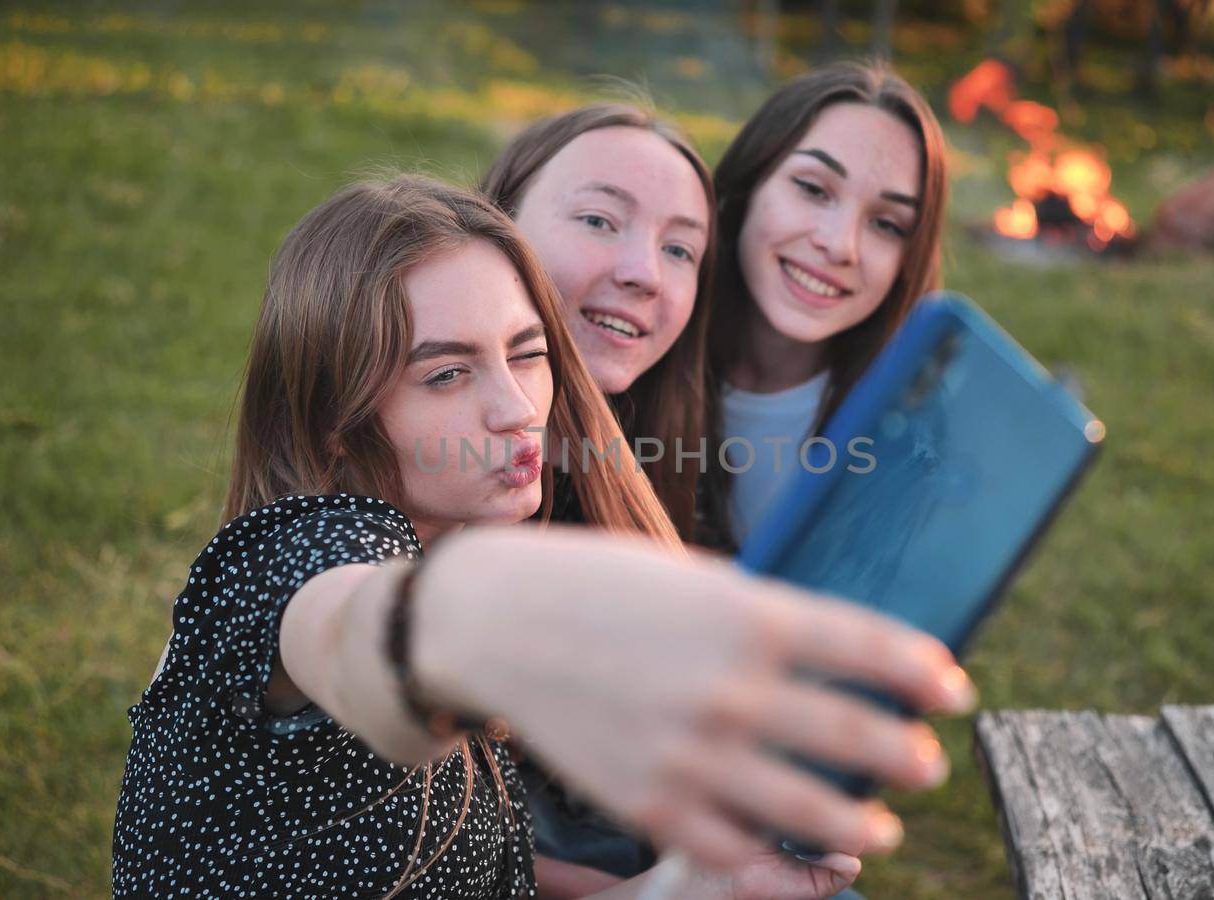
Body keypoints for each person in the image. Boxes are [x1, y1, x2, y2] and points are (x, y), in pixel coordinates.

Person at [111, 175, 976, 898]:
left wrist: (692, 888)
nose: (517, 410)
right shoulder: (284, 559)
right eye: (448, 373)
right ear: (336, 422)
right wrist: (468, 618)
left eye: (526, 354)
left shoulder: (436, 536)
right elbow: (353, 631)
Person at [703, 61, 950, 548]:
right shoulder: (638, 363)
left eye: (887, 224)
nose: (842, 245)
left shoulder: (910, 437)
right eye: (814, 189)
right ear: (749, 185)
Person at [480, 103, 713, 539]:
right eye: (598, 220)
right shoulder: (403, 462)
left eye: (679, 249)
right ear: (496, 221)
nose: (646, 274)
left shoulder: (701, 487)